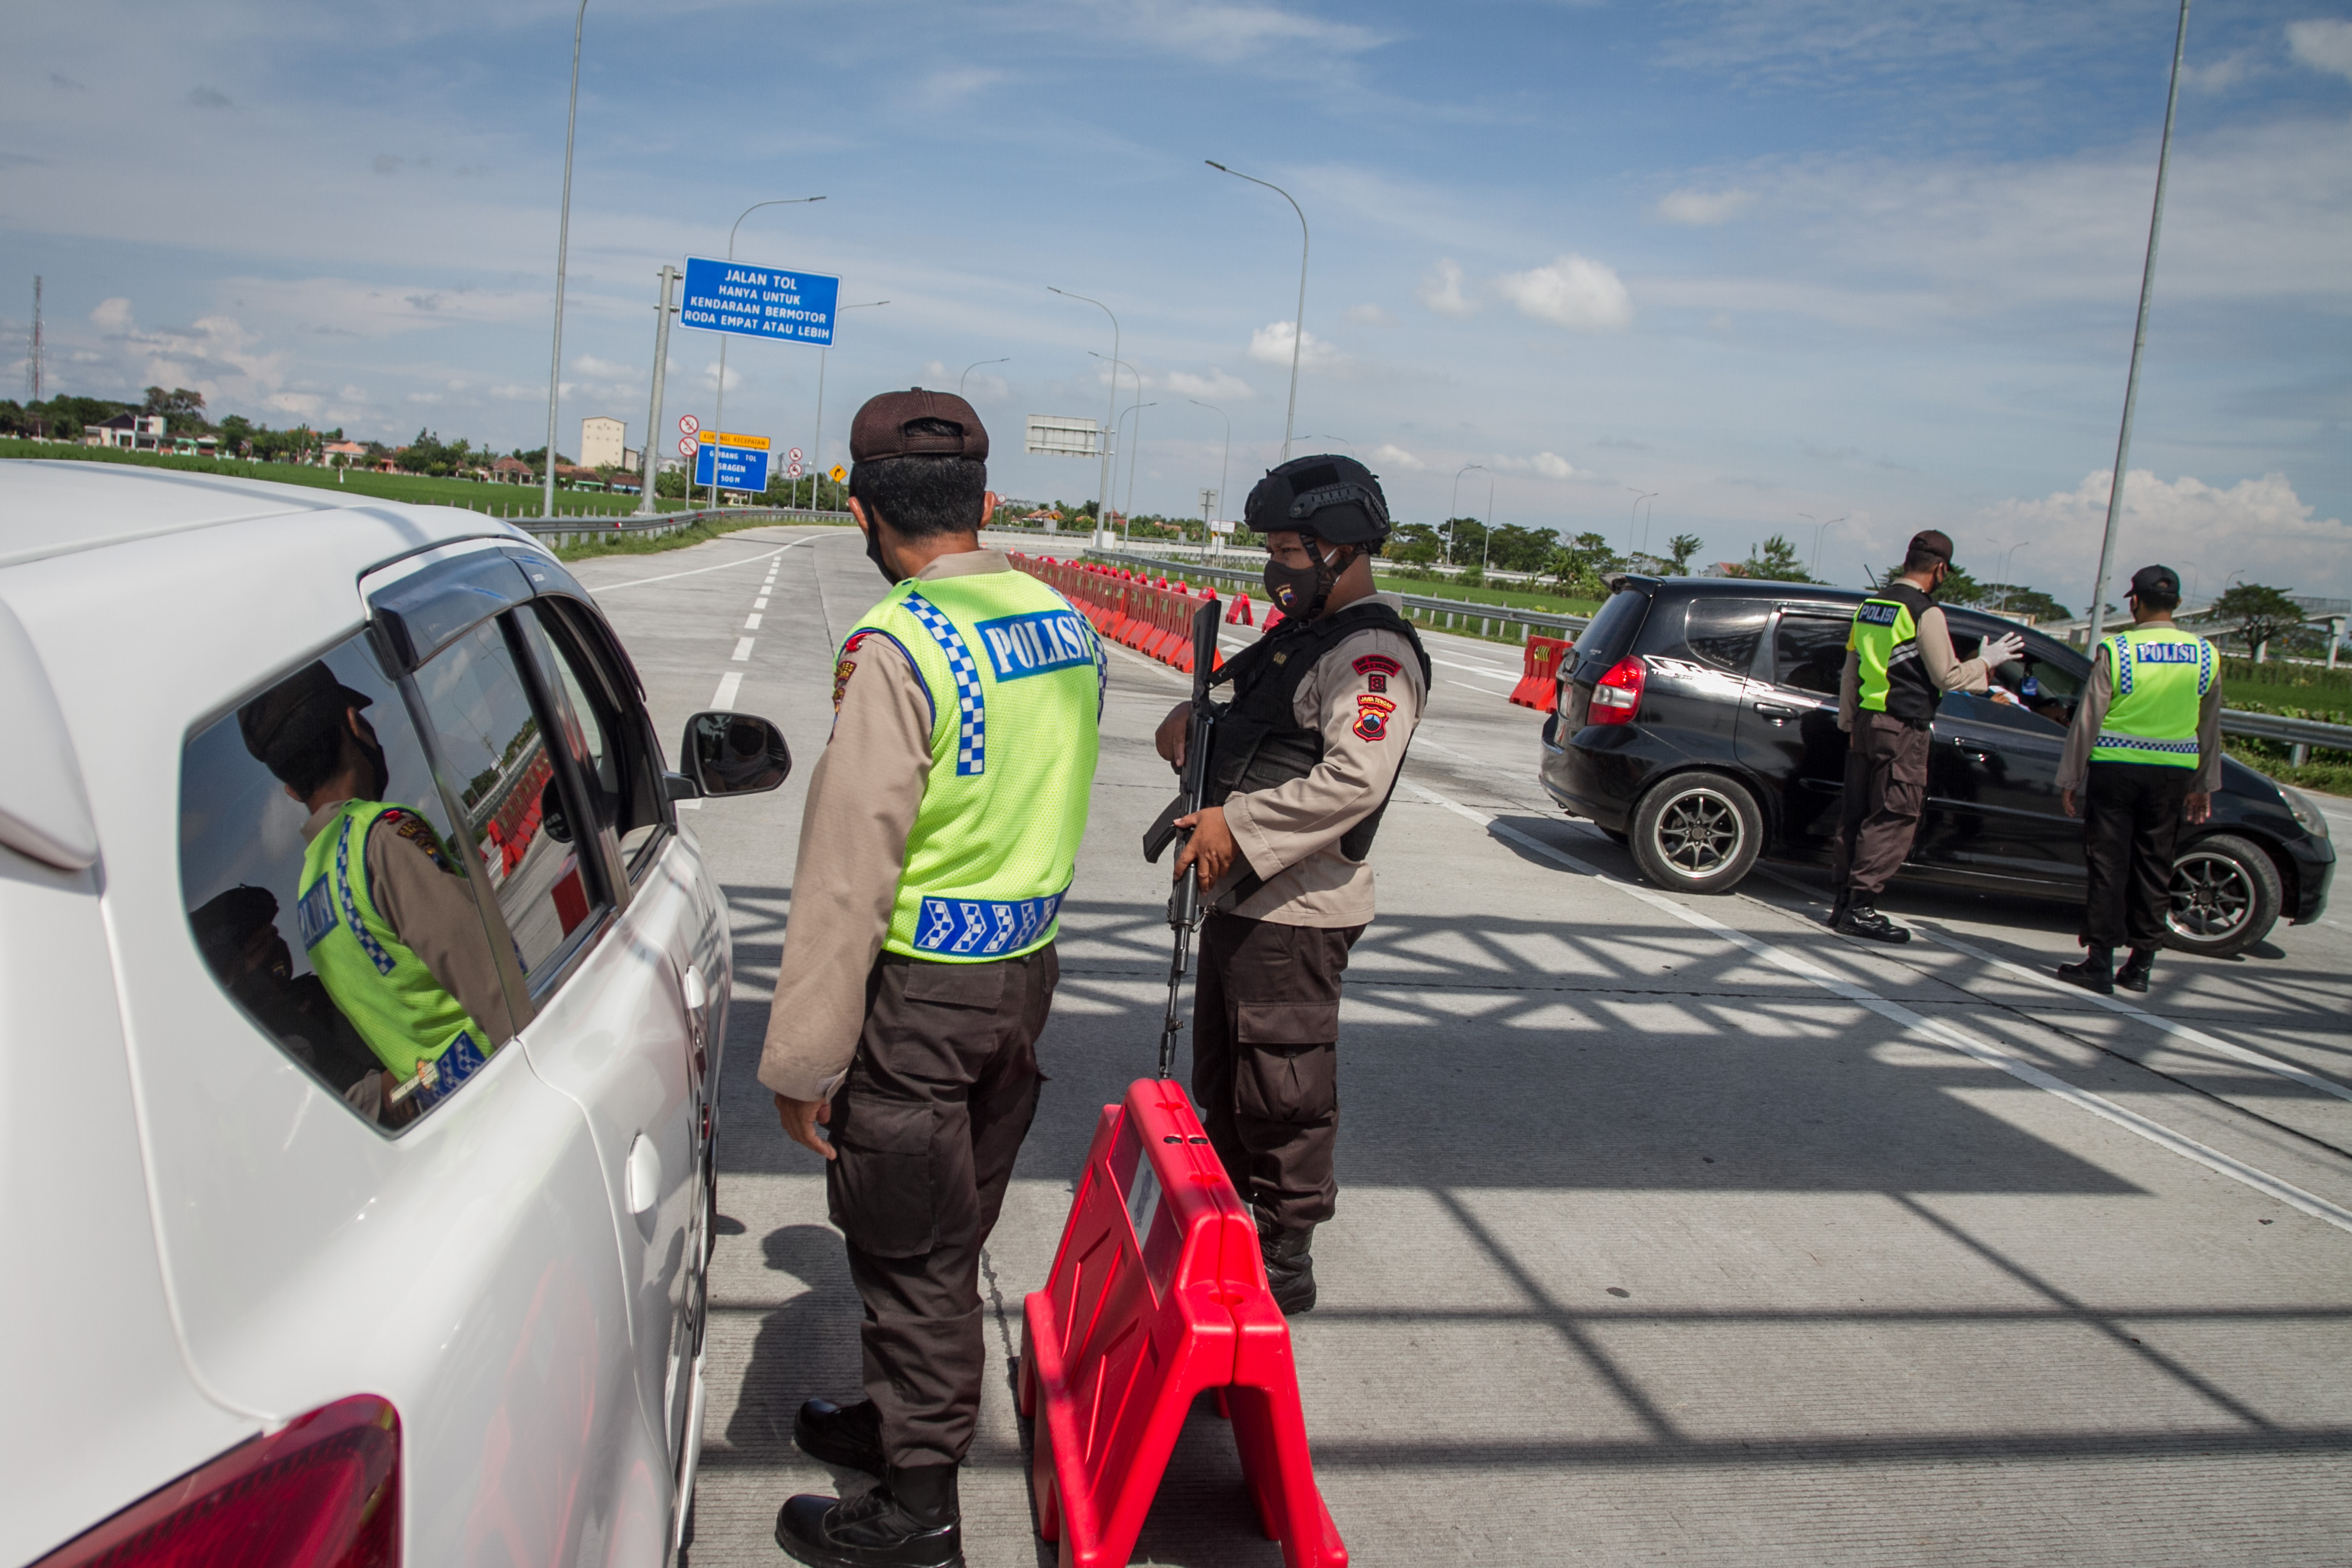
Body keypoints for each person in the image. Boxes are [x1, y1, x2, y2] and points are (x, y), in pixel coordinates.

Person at [760, 389, 1104, 1568]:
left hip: (921, 993)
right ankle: (893, 1414)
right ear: (987, 505)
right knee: (945, 1228)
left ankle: (911, 1516)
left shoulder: (898, 645)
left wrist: (803, 1056)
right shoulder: (1063, 623)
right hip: (1022, 973)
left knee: (907, 1254)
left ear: (859, 509)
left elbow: (848, 870)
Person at [1152, 453, 1429, 1317]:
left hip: (1300, 910)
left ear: (1342, 550)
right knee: (1228, 1084)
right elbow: (1262, 732)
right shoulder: (1298, 638)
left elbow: (1356, 779)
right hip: (1245, 900)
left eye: (1291, 550)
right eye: (1272, 549)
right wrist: (1196, 727)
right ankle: (1231, 1234)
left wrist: (1240, 824)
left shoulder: (1372, 653)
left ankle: (1282, 1256)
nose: (1277, 568)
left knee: (1285, 1088)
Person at [237, 662, 527, 1124]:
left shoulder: (310, 896)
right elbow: (497, 988)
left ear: (292, 791)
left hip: (453, 1124)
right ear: (356, 724)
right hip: (511, 1094)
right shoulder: (381, 837)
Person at [1830, 530, 2023, 942]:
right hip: (1902, 727)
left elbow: (1852, 669)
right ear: (1940, 568)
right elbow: (1947, 675)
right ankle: (1861, 908)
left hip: (1867, 720)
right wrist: (1987, 661)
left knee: (1858, 813)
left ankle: (1843, 902)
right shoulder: (1924, 611)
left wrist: (1849, 724)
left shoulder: (1872, 605)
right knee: (1894, 816)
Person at [2053, 564, 2221, 994]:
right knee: (2155, 863)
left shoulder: (2120, 649)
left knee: (2109, 863)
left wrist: (2071, 776)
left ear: (2134, 601)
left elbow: (2088, 718)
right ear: (2178, 603)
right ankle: (2142, 965)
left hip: (2117, 770)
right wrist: (2203, 784)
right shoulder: (2205, 654)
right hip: (2173, 775)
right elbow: (2210, 725)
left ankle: (2100, 962)